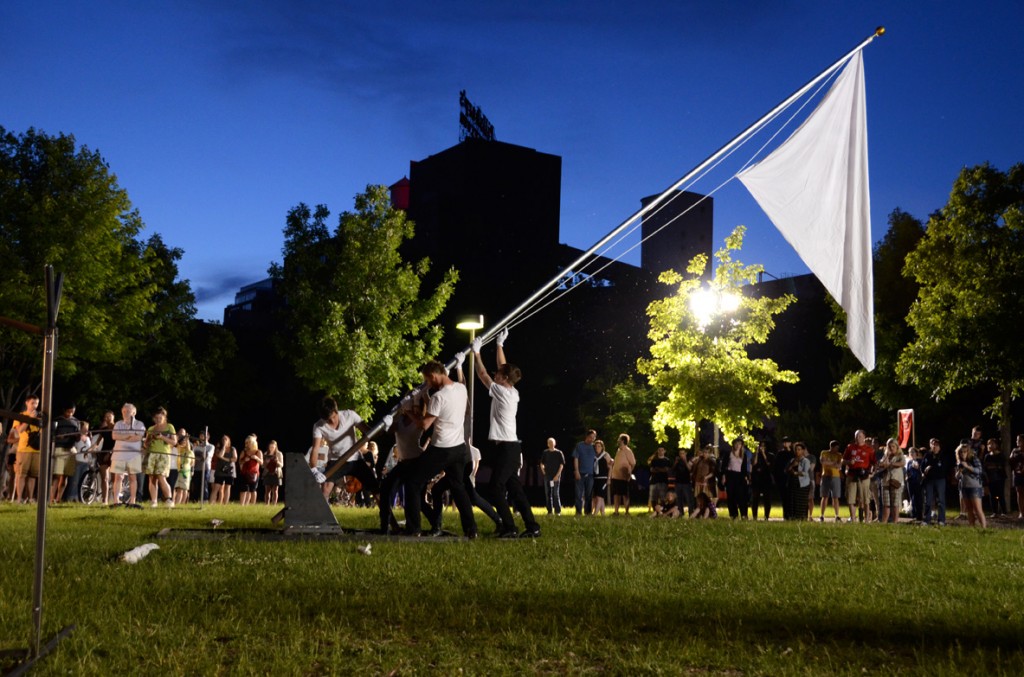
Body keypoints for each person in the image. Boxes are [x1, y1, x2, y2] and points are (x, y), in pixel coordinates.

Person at [471, 329, 540, 538]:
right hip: (510, 447)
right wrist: (500, 345)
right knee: (515, 489)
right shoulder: (512, 391)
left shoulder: (501, 392)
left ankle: (509, 527)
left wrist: (476, 353)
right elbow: (504, 367)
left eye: (498, 375)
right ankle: (532, 526)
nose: (495, 373)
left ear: (504, 379)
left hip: (507, 448)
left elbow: (483, 376)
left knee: (495, 487)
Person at [405, 360, 477, 538]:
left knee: (413, 482)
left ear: (433, 375)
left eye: (428, 380)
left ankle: (414, 529)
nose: (428, 383)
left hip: (441, 449)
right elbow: (440, 409)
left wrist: (408, 410)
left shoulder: (439, 397)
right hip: (459, 448)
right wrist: (423, 396)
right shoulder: (461, 389)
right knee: (458, 488)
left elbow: (424, 424)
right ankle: (471, 529)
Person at [310, 397, 374, 501]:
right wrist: (314, 469)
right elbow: (315, 449)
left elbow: (368, 431)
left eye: (333, 417)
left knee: (374, 487)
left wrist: (383, 426)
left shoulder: (350, 415)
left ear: (336, 410)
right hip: (336, 462)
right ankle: (323, 517)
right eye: (328, 420)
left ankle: (387, 517)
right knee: (325, 491)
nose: (331, 421)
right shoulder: (318, 426)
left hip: (355, 459)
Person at [110, 403, 146, 508]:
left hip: (133, 455)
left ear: (134, 412)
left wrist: (123, 436)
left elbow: (138, 438)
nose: (125, 413)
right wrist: (129, 435)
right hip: (119, 454)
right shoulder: (118, 424)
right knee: (118, 477)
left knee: (132, 477)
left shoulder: (139, 424)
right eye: (124, 411)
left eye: (128, 411)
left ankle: (132, 501)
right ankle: (116, 501)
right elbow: (114, 436)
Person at [10, 394, 41, 503]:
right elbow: (20, 430)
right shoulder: (21, 415)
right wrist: (29, 419)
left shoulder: (40, 417)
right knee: (21, 474)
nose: (35, 405)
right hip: (24, 449)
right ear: (27, 403)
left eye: (37, 403)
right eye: (32, 403)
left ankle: (30, 497)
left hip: (37, 450)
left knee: (33, 475)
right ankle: (19, 498)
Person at [143, 407, 177, 508]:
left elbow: (174, 442)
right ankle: (154, 501)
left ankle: (169, 500)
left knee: (161, 477)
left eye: (160, 417)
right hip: (152, 454)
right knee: (152, 478)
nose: (158, 419)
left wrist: (162, 437)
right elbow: (145, 444)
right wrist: (150, 439)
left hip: (164, 454)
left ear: (164, 416)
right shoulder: (151, 429)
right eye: (156, 418)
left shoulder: (169, 427)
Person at [51, 403, 83, 504]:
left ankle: (58, 498)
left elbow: (78, 438)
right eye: (68, 411)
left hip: (70, 449)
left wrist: (78, 435)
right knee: (57, 474)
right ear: (64, 410)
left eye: (72, 412)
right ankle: (51, 498)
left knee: (65, 475)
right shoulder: (57, 420)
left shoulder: (76, 421)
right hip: (59, 448)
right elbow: (51, 434)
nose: (70, 414)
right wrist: (58, 437)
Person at [841, 430, 875, 523]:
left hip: (864, 476)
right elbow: (842, 460)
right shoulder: (850, 447)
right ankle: (853, 518)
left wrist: (871, 472)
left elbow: (873, 463)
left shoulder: (869, 449)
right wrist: (848, 462)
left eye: (860, 436)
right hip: (852, 475)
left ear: (864, 437)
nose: (858, 438)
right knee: (850, 498)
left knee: (865, 499)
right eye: (856, 436)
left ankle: (867, 520)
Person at [876, 438, 906, 524]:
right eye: (889, 446)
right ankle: (884, 522)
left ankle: (895, 522)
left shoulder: (900, 455)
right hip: (885, 481)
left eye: (893, 446)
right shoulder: (885, 455)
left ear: (897, 446)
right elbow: (880, 465)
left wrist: (891, 464)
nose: (891, 448)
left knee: (895, 504)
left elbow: (902, 463)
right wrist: (886, 458)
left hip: (895, 481)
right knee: (886, 503)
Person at [956, 444, 986, 528]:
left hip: (975, 486)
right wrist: (959, 471)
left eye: (965, 452)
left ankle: (983, 527)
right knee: (969, 509)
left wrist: (968, 466)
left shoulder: (974, 459)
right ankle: (972, 526)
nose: (963, 454)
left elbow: (979, 471)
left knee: (977, 509)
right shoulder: (959, 462)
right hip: (964, 487)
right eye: (961, 452)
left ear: (968, 452)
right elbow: (957, 477)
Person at [721, 438, 751, 520]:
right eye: (736, 443)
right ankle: (733, 514)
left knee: (742, 496)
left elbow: (744, 468)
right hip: (730, 475)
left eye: (739, 444)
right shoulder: (728, 454)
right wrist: (724, 476)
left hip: (740, 476)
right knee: (731, 496)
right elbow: (724, 466)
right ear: (733, 444)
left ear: (742, 445)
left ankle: (744, 514)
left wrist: (746, 478)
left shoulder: (743, 455)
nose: (738, 445)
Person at [571, 430, 597, 516]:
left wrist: (610, 459)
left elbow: (602, 454)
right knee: (578, 494)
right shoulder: (580, 445)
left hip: (590, 474)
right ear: (587, 436)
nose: (592, 439)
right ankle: (578, 512)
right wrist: (577, 471)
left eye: (594, 437)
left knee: (588, 495)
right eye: (591, 437)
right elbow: (576, 458)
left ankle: (588, 512)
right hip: (580, 473)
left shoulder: (594, 447)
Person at [921, 438, 946, 526]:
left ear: (939, 446)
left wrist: (931, 466)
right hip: (929, 480)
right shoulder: (927, 455)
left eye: (936, 445)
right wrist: (924, 471)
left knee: (941, 500)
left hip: (940, 480)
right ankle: (926, 519)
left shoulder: (943, 455)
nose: (934, 446)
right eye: (932, 444)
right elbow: (922, 466)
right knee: (928, 500)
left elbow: (944, 468)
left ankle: (941, 520)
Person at [609, 434, 636, 515]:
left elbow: (633, 463)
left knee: (625, 494)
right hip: (615, 476)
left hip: (623, 477)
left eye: (619, 439)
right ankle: (616, 511)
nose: (618, 440)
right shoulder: (619, 450)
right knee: (616, 494)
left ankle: (627, 512)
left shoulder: (627, 451)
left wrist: (629, 473)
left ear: (623, 441)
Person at [818, 440, 843, 522]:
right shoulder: (824, 453)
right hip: (825, 476)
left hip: (836, 476)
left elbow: (839, 465)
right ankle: (821, 515)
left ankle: (837, 515)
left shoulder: (839, 455)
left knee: (835, 497)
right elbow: (823, 462)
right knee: (824, 496)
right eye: (835, 448)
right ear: (831, 447)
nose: (837, 450)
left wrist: (829, 463)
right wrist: (833, 463)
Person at [982, 437, 1007, 518]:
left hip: (999, 478)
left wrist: (993, 466)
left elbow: (1000, 466)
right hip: (990, 478)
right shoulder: (987, 456)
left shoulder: (1000, 455)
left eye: (992, 444)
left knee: (1000, 495)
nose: (990, 445)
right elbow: (985, 467)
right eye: (989, 444)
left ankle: (1004, 512)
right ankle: (994, 512)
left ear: (996, 445)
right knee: (992, 495)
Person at [94, 410, 115, 504]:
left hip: (114, 453)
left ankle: (115, 500)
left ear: (113, 417)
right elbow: (97, 443)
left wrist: (110, 452)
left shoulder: (117, 428)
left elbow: (118, 442)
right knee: (105, 478)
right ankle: (104, 500)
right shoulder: (104, 429)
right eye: (106, 417)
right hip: (104, 452)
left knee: (115, 479)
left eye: (109, 416)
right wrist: (90, 449)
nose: (107, 418)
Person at [786, 442, 811, 521]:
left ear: (803, 451)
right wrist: (793, 465)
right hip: (793, 483)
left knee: (801, 502)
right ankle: (793, 517)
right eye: (796, 449)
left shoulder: (805, 461)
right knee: (793, 501)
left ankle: (802, 517)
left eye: (799, 449)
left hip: (803, 484)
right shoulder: (792, 460)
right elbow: (786, 470)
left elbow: (805, 473)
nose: (797, 451)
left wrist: (796, 473)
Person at [540, 437, 564, 515]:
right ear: (547, 444)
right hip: (547, 476)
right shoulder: (545, 452)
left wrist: (557, 475)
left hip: (556, 476)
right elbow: (541, 463)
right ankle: (550, 511)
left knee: (555, 494)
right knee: (548, 494)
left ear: (555, 443)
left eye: (552, 442)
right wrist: (544, 471)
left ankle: (558, 511)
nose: (551, 444)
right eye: (549, 442)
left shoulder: (559, 453)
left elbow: (561, 465)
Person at [237, 434, 263, 506]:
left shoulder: (258, 452)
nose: (247, 444)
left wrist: (256, 458)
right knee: (243, 489)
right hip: (244, 473)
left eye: (248, 442)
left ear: (253, 443)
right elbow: (239, 461)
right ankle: (242, 505)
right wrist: (244, 460)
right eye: (246, 442)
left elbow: (261, 462)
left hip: (254, 473)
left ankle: (252, 505)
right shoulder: (244, 452)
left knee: (253, 490)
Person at [750, 441, 773, 520]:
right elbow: (754, 463)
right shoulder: (756, 455)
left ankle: (766, 516)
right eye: (761, 446)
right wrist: (757, 452)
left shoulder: (770, 455)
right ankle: (754, 517)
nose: (762, 447)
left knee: (767, 499)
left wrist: (763, 454)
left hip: (766, 479)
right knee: (755, 499)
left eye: (764, 446)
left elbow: (769, 464)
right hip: (756, 479)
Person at [211, 435, 237, 505]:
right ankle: (211, 503)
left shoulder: (232, 449)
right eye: (223, 439)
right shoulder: (218, 448)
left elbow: (235, 459)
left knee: (228, 487)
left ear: (229, 440)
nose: (224, 440)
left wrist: (225, 459)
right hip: (220, 470)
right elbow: (219, 455)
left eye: (226, 439)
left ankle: (225, 504)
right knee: (216, 487)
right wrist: (224, 447)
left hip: (229, 470)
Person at [172, 428, 194, 506]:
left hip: (186, 471)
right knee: (178, 488)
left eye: (186, 442)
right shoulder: (179, 449)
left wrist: (187, 439)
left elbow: (192, 463)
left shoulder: (190, 451)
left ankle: (183, 504)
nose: (184, 443)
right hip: (178, 470)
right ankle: (176, 504)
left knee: (184, 489)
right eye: (183, 441)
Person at [648, 446, 672, 512]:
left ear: (664, 451)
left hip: (663, 481)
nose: (660, 451)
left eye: (662, 450)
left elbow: (667, 470)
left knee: (663, 498)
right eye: (659, 450)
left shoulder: (667, 460)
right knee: (653, 497)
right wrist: (662, 469)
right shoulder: (654, 460)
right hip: (654, 481)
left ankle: (662, 510)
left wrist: (657, 469)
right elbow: (652, 469)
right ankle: (655, 511)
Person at [672, 448, 695, 517]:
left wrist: (685, 461)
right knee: (679, 499)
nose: (681, 455)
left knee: (688, 499)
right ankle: (680, 513)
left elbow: (690, 470)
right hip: (678, 482)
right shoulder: (678, 461)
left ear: (686, 453)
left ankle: (691, 513)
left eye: (683, 453)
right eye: (680, 453)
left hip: (686, 483)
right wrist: (675, 462)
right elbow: (673, 469)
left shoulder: (689, 460)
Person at [905, 447, 925, 522]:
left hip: (918, 481)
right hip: (910, 482)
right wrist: (907, 476)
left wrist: (918, 468)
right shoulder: (909, 462)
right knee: (912, 498)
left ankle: (919, 515)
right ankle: (914, 514)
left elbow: (922, 471)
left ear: (916, 453)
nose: (911, 454)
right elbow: (908, 471)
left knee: (918, 498)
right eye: (910, 452)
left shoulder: (920, 461)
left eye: (913, 452)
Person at [592, 439, 611, 516]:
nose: (597, 448)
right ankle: (603, 513)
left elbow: (610, 467)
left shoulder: (606, 455)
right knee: (598, 497)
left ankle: (595, 513)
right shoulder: (594, 456)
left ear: (602, 447)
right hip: (596, 478)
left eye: (599, 446)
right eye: (596, 446)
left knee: (600, 496)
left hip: (603, 478)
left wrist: (609, 478)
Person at [262, 440, 284, 505]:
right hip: (267, 473)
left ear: (275, 447)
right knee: (267, 490)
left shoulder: (279, 454)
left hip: (276, 473)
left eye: (273, 447)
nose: (271, 448)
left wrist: (277, 461)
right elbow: (262, 466)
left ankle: (274, 504)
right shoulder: (266, 454)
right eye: (270, 447)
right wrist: (266, 462)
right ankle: (267, 504)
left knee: (275, 490)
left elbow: (282, 465)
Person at [1010, 434, 1024, 520]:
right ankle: (1021, 513)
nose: (1017, 441)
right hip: (1017, 474)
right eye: (1017, 440)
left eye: (1019, 440)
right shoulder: (1015, 451)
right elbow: (1010, 461)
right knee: (1019, 492)